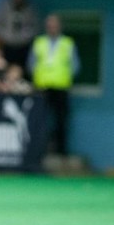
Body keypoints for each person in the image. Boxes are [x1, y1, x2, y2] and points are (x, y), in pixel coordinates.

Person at [27, 13, 80, 164]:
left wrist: (64, 76)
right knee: (40, 121)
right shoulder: (39, 42)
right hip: (42, 88)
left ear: (59, 26)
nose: (52, 27)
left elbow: (75, 66)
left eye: (54, 24)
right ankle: (39, 152)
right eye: (49, 24)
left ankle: (61, 152)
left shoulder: (67, 43)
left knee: (61, 120)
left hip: (61, 88)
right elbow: (31, 64)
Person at [0, 0, 39, 68]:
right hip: (7, 45)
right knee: (5, 69)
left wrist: (25, 37)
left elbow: (35, 27)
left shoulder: (30, 9)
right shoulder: (4, 6)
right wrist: (6, 37)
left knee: (23, 69)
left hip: (24, 46)